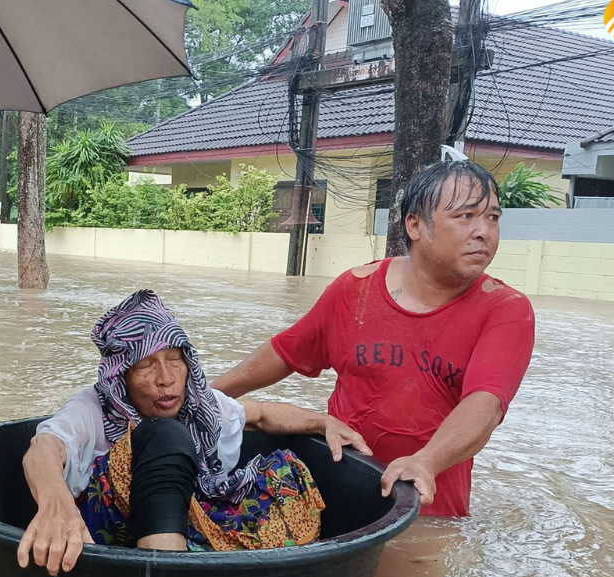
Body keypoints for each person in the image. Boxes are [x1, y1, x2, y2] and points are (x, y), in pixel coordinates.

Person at [212, 160, 535, 518]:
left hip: (427, 504)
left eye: (492, 217)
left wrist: (427, 461)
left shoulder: (506, 309)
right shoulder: (355, 289)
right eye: (466, 216)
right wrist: (201, 397)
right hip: (337, 486)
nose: (483, 231)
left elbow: (485, 405)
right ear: (414, 224)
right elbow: (286, 351)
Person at [17, 289, 371, 577]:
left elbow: (261, 415)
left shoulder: (199, 405)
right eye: (145, 365)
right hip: (103, 535)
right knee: (163, 435)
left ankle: (231, 570)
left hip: (178, 517)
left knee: (285, 472)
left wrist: (323, 422)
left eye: (175, 360)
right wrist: (56, 503)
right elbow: (42, 447)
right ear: (121, 375)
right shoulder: (92, 408)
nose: (166, 379)